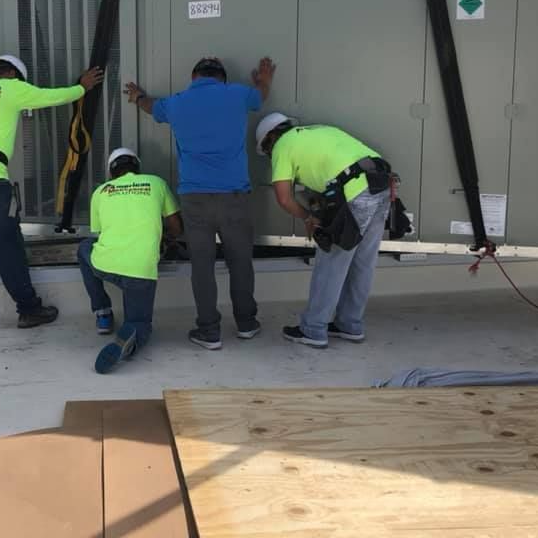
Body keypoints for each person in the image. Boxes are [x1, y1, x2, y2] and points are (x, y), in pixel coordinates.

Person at [0, 46, 104, 332]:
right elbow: (52, 97)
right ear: (14, 74)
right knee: (8, 246)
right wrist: (82, 87)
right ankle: (29, 309)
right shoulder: (12, 88)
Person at [124, 55, 275, 350]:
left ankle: (209, 331)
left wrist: (137, 95)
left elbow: (150, 106)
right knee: (240, 262)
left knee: (202, 266)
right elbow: (259, 98)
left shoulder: (177, 102)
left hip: (194, 199)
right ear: (222, 78)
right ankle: (246, 323)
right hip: (234, 197)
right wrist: (264, 81)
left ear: (194, 77)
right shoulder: (238, 94)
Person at [254, 112, 392, 348]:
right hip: (381, 184)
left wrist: (308, 217)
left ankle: (313, 328)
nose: (269, 156)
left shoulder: (282, 147)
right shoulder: (319, 130)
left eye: (266, 151)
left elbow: (284, 198)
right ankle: (350, 324)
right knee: (362, 262)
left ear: (270, 139)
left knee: (331, 262)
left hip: (355, 195)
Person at [78, 148, 182, 374]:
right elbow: (177, 227)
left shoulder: (101, 191)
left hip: (106, 264)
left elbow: (102, 232)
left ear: (111, 172)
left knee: (84, 248)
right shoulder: (156, 183)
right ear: (137, 166)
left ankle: (103, 314)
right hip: (141, 270)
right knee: (141, 324)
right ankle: (130, 335)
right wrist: (163, 237)